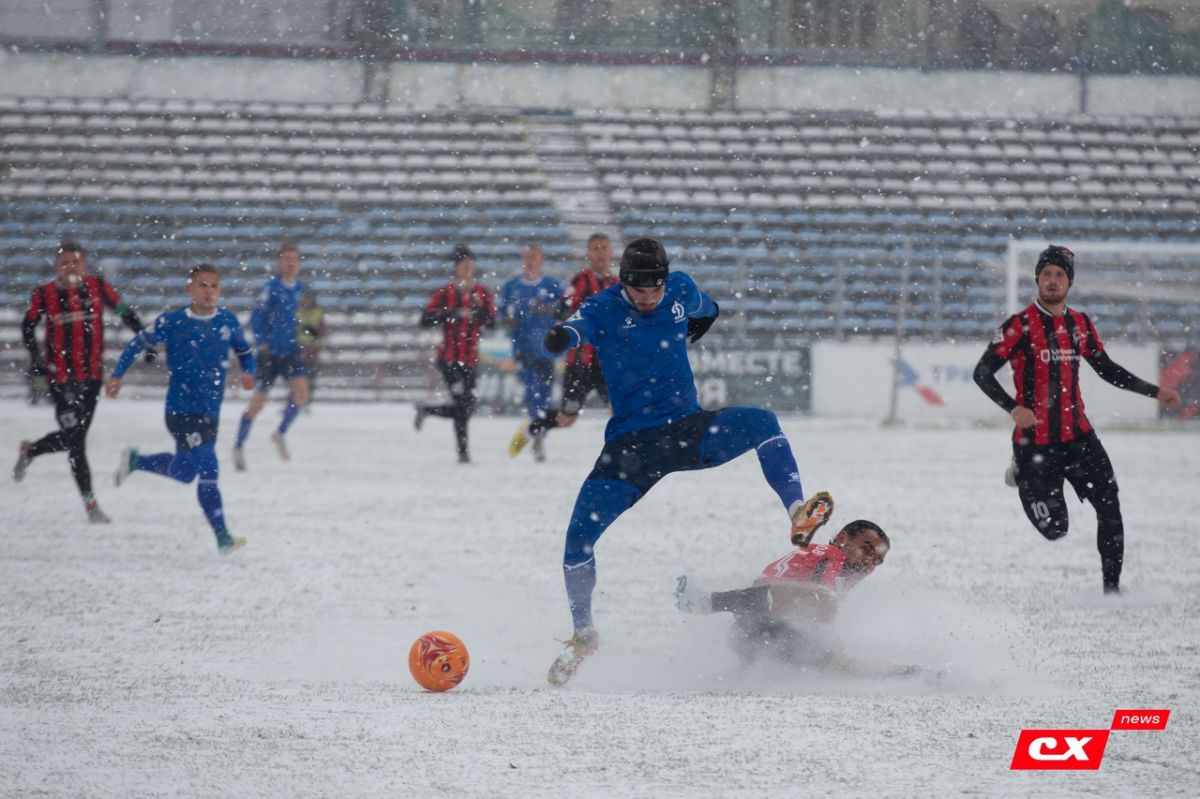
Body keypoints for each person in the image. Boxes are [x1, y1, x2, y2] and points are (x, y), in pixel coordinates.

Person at [544, 237, 834, 686]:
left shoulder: (680, 287)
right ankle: (584, 634)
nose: (649, 299)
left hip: (688, 431)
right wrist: (559, 336)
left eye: (655, 290)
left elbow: (708, 309)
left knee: (763, 422)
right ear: (624, 283)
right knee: (577, 540)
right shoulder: (603, 307)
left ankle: (798, 511)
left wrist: (695, 325)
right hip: (631, 449)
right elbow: (573, 331)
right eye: (639, 292)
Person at [973, 245, 1182, 595]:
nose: (1052, 280)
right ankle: (1022, 473)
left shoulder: (1080, 324)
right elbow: (981, 373)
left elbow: (1107, 369)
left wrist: (1155, 392)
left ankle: (1111, 591)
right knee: (1056, 529)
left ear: (1069, 282)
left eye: (1060, 274)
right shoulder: (1019, 325)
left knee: (1110, 507)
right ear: (1037, 279)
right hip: (1035, 444)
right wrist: (1013, 408)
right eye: (1046, 274)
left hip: (1079, 437)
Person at [106, 264, 254, 554]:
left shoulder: (228, 321)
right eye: (202, 285)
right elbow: (137, 343)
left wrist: (250, 371)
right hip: (181, 411)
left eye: (214, 286)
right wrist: (117, 375)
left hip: (210, 412)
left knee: (185, 472)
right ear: (190, 289)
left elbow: (246, 353)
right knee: (209, 466)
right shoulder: (173, 321)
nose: (209, 291)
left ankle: (136, 461)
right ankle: (223, 536)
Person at [675, 519, 920, 678]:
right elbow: (822, 595)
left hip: (758, 635)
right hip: (757, 619)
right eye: (866, 549)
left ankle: (907, 674)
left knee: (838, 666)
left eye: (877, 560)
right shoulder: (832, 554)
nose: (869, 561)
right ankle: (705, 601)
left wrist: (826, 645)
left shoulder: (842, 581)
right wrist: (825, 633)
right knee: (821, 612)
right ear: (843, 539)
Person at [14, 240, 150, 523]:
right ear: (57, 266)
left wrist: (144, 340)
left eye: (75, 262)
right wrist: (36, 358)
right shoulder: (44, 293)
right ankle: (91, 506)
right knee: (76, 442)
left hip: (91, 377)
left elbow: (124, 311)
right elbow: (28, 325)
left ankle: (32, 450)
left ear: (84, 265)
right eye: (64, 263)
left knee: (75, 438)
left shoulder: (98, 287)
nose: (70, 267)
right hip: (60, 377)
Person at [509, 233, 618, 457]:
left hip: (608, 363)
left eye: (604, 248)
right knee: (567, 418)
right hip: (579, 363)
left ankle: (625, 457)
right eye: (596, 248)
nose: (600, 253)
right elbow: (562, 310)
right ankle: (531, 429)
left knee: (618, 411)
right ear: (588, 254)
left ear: (611, 253)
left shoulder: (618, 285)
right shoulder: (580, 281)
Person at [414, 244, 496, 464]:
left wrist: (479, 315)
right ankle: (463, 452)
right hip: (449, 358)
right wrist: (449, 314)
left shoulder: (482, 293)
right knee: (462, 404)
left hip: (470, 358)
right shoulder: (445, 293)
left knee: (466, 405)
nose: (468, 269)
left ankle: (428, 410)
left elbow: (492, 322)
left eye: (471, 265)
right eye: (464, 265)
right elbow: (425, 319)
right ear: (457, 268)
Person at [232, 242, 308, 470]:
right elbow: (256, 317)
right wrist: (262, 341)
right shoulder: (272, 288)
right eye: (286, 258)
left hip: (290, 350)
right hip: (270, 353)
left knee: (302, 393)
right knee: (259, 403)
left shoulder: (300, 288)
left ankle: (280, 433)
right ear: (279, 262)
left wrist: (303, 330)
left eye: (294, 258)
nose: (291, 262)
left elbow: (297, 316)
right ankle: (238, 445)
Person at [499, 243, 563, 462]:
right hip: (523, 350)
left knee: (545, 396)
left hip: (547, 350)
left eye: (534, 257)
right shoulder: (511, 287)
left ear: (541, 259)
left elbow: (564, 312)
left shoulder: (552, 286)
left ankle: (539, 433)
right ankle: (537, 437)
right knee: (532, 392)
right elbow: (502, 317)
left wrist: (549, 310)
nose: (530, 261)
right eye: (527, 257)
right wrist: (508, 319)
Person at [293, 290, 327, 407]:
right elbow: (294, 327)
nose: (307, 300)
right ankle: (295, 402)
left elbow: (321, 329)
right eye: (305, 298)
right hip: (299, 349)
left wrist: (313, 336)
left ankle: (306, 401)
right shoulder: (298, 311)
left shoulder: (318, 311)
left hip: (312, 349)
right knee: (297, 378)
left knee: (310, 377)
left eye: (309, 298)